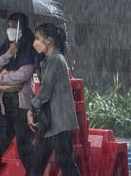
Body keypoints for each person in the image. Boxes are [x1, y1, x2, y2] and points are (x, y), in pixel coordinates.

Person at [0, 13, 40, 176]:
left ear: (21, 27)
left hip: (22, 110)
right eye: (8, 26)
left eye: (13, 26)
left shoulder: (30, 45)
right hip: (5, 111)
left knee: (27, 155)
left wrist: (0, 78)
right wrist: (9, 53)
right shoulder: (7, 45)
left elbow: (23, 75)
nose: (10, 30)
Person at [27, 23, 81, 176]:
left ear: (48, 40)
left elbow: (45, 91)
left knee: (65, 163)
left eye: (37, 38)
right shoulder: (51, 59)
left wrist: (31, 108)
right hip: (51, 123)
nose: (34, 43)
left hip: (59, 124)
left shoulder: (56, 60)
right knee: (37, 162)